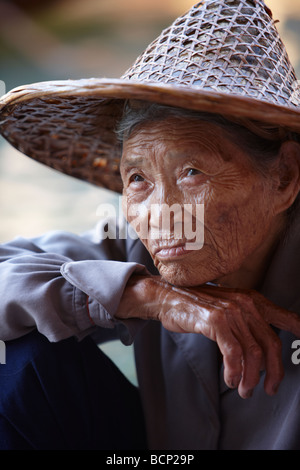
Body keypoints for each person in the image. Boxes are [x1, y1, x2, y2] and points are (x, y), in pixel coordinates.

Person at [0, 0, 300, 450]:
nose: (159, 213)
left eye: (191, 172)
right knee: (19, 360)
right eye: (137, 179)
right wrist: (148, 297)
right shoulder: (139, 248)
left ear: (284, 177)